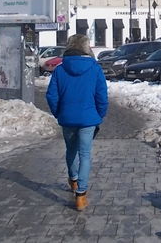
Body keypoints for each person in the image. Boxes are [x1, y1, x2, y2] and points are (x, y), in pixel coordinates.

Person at [46, 34, 108, 211]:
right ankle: (81, 195)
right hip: (88, 119)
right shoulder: (95, 69)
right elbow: (102, 96)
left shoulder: (59, 69)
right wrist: (100, 115)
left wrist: (59, 112)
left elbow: (51, 95)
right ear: (86, 48)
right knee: (85, 155)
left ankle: (73, 180)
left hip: (67, 118)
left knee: (71, 150)